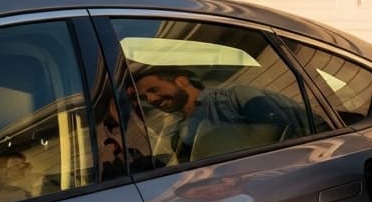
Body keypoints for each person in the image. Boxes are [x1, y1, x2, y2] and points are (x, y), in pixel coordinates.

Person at [131, 66, 312, 160]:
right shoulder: (176, 135)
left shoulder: (236, 95)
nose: (152, 99)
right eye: (145, 98)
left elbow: (275, 130)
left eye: (154, 89)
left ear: (182, 81)